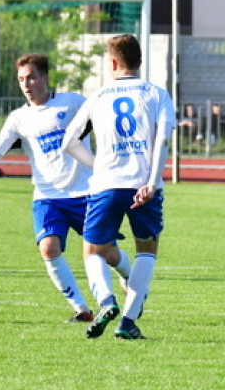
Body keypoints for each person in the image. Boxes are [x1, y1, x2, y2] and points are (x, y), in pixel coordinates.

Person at [0, 53, 131, 323]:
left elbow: (102, 116)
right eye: (21, 79)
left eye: (31, 77)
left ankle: (128, 276)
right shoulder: (19, 118)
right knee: (48, 248)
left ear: (44, 78)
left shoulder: (73, 103)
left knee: (107, 253)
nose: (26, 84)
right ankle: (81, 309)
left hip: (86, 192)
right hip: (48, 196)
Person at [62, 34, 177, 340]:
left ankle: (106, 301)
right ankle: (127, 322)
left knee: (93, 251)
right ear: (139, 61)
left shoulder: (98, 97)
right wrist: (152, 182)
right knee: (146, 250)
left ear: (112, 62)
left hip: (106, 185)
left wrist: (97, 164)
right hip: (144, 185)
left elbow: (69, 142)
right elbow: (163, 140)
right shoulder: (156, 94)